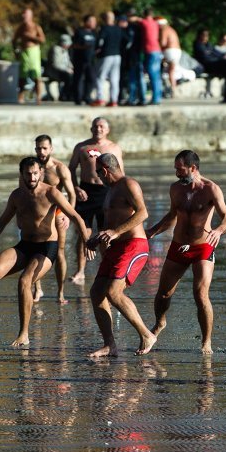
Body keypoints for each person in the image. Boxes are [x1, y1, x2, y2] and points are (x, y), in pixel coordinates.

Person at [0, 157, 92, 347]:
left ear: (41, 172)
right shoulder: (17, 196)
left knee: (25, 281)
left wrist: (87, 241)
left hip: (47, 248)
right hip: (25, 245)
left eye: (35, 173)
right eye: (27, 174)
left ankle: (24, 334)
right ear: (21, 174)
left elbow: (75, 215)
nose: (31, 177)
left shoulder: (51, 193)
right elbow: (2, 221)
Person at [146, 150, 226, 354]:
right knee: (164, 293)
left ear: (193, 168)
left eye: (180, 169)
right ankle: (160, 323)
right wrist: (153, 231)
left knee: (200, 294)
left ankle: (206, 342)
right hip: (179, 246)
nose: (176, 173)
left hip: (203, 246)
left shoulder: (211, 189)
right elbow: (172, 216)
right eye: (175, 169)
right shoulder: (175, 189)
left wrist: (219, 230)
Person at [86, 153, 156, 358]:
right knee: (97, 292)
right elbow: (111, 222)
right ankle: (110, 345)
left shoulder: (128, 184)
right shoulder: (111, 190)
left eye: (99, 172)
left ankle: (147, 334)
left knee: (113, 292)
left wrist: (116, 232)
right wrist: (98, 238)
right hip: (116, 247)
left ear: (105, 170)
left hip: (134, 245)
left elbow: (143, 213)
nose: (98, 177)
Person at [68, 117, 124, 284]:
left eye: (101, 126)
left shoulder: (114, 148)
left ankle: (106, 268)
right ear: (91, 128)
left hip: (106, 191)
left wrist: (120, 195)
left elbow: (121, 172)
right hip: (86, 191)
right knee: (83, 232)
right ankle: (80, 271)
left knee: (104, 232)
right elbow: (71, 169)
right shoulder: (82, 147)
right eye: (95, 126)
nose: (98, 129)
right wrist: (76, 188)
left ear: (107, 129)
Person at [34, 134, 76, 303]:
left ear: (51, 148)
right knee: (36, 251)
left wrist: (67, 214)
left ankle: (60, 292)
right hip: (37, 214)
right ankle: (38, 290)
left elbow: (72, 195)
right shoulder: (33, 167)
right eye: (38, 148)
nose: (41, 151)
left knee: (59, 252)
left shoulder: (60, 169)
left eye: (44, 148)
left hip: (57, 213)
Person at [192, 28, 226, 104]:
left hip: (215, 63)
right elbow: (205, 58)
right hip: (207, 66)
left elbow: (215, 53)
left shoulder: (208, 45)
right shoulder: (198, 45)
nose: (206, 37)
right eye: (204, 35)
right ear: (200, 36)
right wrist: (220, 59)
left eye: (207, 35)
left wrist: (224, 56)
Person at [12, 8, 46, 105]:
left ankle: (38, 97)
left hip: (34, 52)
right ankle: (21, 96)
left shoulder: (36, 27)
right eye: (23, 14)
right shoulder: (21, 27)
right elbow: (14, 40)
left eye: (25, 15)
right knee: (23, 75)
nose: (23, 16)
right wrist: (16, 51)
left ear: (30, 16)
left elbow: (42, 39)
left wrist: (30, 37)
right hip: (24, 52)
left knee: (36, 75)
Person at [93, 11, 122, 107]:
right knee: (114, 78)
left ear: (105, 19)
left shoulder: (104, 29)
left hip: (106, 55)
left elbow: (100, 41)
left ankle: (100, 99)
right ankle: (114, 100)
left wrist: (97, 49)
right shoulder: (118, 29)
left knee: (100, 77)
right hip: (117, 55)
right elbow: (126, 40)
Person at [71, 14, 98, 105]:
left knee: (92, 78)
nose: (94, 23)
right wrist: (84, 47)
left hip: (91, 60)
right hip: (80, 60)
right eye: (92, 21)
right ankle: (78, 98)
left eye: (95, 21)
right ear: (86, 22)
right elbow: (74, 45)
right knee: (78, 79)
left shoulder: (94, 33)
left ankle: (87, 96)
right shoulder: (79, 32)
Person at [139, 8, 163, 105]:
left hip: (150, 51)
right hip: (157, 50)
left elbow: (136, 20)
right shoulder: (155, 23)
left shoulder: (144, 22)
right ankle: (158, 97)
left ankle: (155, 99)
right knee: (157, 76)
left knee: (152, 75)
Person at [158, 17, 181, 98]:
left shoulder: (164, 30)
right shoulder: (171, 29)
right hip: (177, 51)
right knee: (172, 71)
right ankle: (172, 89)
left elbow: (163, 43)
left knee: (169, 71)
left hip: (170, 51)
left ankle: (172, 90)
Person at [47, 34, 74, 101]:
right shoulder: (56, 49)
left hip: (63, 70)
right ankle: (64, 95)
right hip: (54, 71)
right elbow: (56, 64)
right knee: (69, 77)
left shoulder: (65, 50)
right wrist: (67, 69)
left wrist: (71, 67)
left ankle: (70, 95)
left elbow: (68, 61)